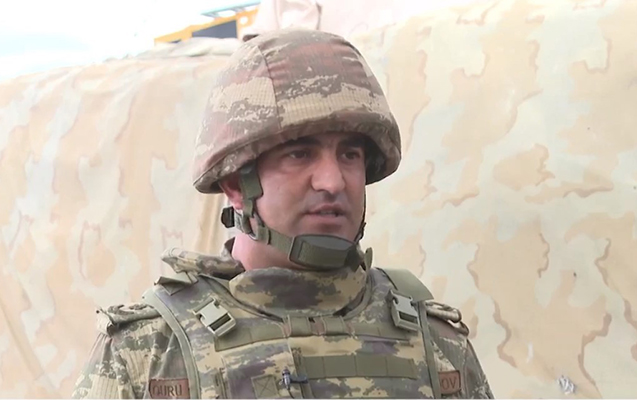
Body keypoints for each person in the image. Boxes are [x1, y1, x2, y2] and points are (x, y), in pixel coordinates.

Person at [72, 28, 493, 399]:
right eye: (300, 154)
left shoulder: (433, 340)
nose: (332, 181)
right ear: (235, 183)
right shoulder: (149, 352)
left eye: (349, 154)